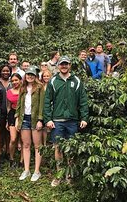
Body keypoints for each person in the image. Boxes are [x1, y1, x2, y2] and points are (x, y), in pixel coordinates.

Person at [43, 56, 89, 187]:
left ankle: (69, 176)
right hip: (57, 121)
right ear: (58, 66)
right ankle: (59, 176)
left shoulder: (77, 81)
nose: (64, 66)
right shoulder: (53, 81)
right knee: (57, 147)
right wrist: (48, 119)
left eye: (66, 64)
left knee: (71, 149)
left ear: (70, 65)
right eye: (62, 64)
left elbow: (83, 101)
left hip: (72, 121)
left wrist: (84, 118)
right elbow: (47, 102)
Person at [15, 66, 45, 182]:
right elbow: (18, 104)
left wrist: (40, 119)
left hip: (35, 118)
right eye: (28, 74)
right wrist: (17, 118)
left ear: (35, 76)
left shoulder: (39, 87)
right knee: (26, 145)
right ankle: (26, 170)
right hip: (24, 118)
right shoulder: (22, 88)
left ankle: (37, 171)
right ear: (25, 76)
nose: (30, 76)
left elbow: (42, 104)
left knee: (37, 146)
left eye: (32, 75)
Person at [0, 64, 12, 162]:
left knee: (9, 132)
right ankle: (0, 151)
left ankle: (8, 151)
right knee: (0, 132)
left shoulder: (13, 81)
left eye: (7, 71)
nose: (5, 72)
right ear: (0, 71)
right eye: (4, 71)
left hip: (10, 110)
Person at [6, 73, 22, 168]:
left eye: (16, 80)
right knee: (13, 138)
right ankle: (11, 159)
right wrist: (8, 120)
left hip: (23, 114)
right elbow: (8, 107)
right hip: (12, 113)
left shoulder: (24, 91)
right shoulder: (9, 91)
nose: (14, 82)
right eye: (12, 81)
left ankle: (21, 161)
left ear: (20, 80)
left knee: (24, 140)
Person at [40, 70, 52, 146]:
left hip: (51, 107)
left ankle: (51, 142)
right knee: (44, 127)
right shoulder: (41, 86)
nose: (46, 77)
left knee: (50, 126)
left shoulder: (53, 85)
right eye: (44, 76)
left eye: (47, 76)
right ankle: (44, 144)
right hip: (42, 107)